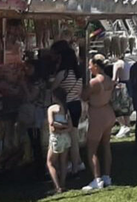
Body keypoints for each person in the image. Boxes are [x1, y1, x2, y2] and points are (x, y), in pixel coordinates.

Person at [81, 54, 116, 192]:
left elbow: (84, 95)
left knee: (92, 149)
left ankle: (97, 179)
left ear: (96, 66)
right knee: (106, 146)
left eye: (90, 65)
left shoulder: (95, 82)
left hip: (97, 115)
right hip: (108, 113)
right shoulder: (108, 79)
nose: (89, 67)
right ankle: (107, 176)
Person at [51, 44, 84, 175]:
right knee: (74, 136)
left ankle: (74, 167)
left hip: (67, 106)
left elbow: (53, 87)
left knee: (70, 139)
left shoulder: (63, 73)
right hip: (77, 104)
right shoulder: (78, 73)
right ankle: (78, 164)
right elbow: (80, 91)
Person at [46, 87, 72, 194]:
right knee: (63, 161)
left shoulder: (52, 108)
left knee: (50, 162)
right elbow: (70, 126)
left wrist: (60, 127)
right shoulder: (66, 109)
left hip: (56, 137)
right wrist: (65, 127)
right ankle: (63, 184)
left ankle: (57, 187)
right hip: (66, 137)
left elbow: (51, 123)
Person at [112, 52, 133, 139]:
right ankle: (127, 127)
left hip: (120, 87)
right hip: (128, 86)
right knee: (126, 109)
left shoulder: (117, 64)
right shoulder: (128, 64)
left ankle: (123, 126)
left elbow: (115, 78)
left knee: (117, 108)